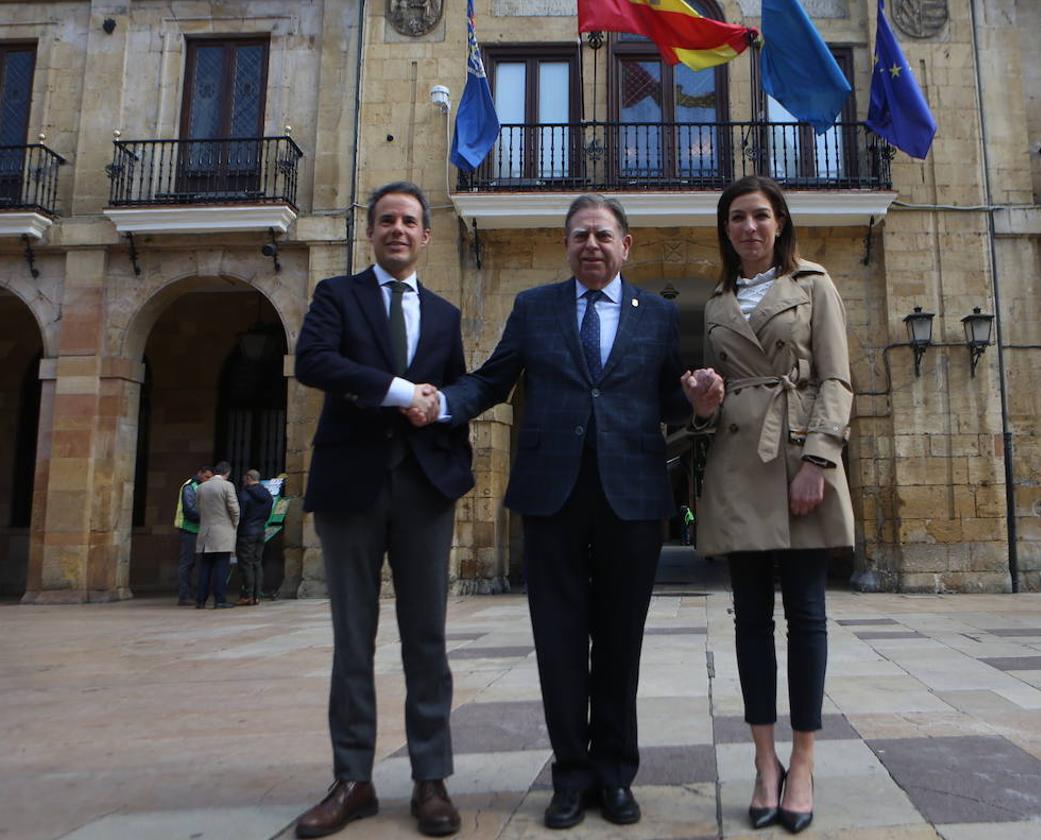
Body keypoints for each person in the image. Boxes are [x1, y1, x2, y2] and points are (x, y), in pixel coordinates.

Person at [410, 194, 723, 829]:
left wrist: (699, 402)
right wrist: (441, 401)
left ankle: (614, 774)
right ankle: (570, 775)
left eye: (604, 235)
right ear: (566, 244)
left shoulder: (660, 316)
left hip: (630, 499)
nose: (592, 245)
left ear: (625, 246)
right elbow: (493, 380)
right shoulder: (534, 308)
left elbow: (671, 399)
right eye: (580, 235)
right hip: (551, 496)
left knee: (618, 643)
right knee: (557, 644)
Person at [292, 181, 473, 838]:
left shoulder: (448, 315)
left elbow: (453, 395)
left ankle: (432, 779)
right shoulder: (337, 297)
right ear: (372, 232)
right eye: (387, 220)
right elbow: (313, 362)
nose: (399, 229)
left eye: (410, 221)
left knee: (427, 640)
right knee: (352, 641)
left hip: (424, 491)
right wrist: (400, 392)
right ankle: (353, 779)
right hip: (350, 486)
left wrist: (453, 458)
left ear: (427, 236)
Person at [693, 175, 854, 833]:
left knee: (808, 615)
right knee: (750, 619)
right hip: (738, 467)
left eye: (760, 215)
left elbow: (837, 377)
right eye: (737, 218)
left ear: (780, 223)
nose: (749, 227)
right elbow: (713, 401)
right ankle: (764, 762)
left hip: (796, 457)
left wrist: (819, 458)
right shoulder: (715, 302)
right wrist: (701, 402)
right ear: (726, 230)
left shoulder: (815, 284)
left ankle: (805, 761)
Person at [195, 461, 240, 609]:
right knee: (221, 567)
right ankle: (219, 599)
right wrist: (234, 524)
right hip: (222, 531)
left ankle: (200, 599)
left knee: (205, 568)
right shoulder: (228, 486)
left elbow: (198, 508)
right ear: (227, 473)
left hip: (205, 532)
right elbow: (234, 509)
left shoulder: (201, 487)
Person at [235, 469, 274, 606]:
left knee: (246, 563)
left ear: (249, 478)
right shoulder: (267, 494)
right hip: (260, 530)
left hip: (246, 532)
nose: (243, 480)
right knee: (257, 562)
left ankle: (248, 595)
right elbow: (269, 513)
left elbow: (241, 514)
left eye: (244, 477)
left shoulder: (245, 493)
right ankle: (256, 595)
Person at [174, 466, 211, 605]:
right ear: (200, 474)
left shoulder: (201, 486)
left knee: (198, 563)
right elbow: (189, 509)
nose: (208, 480)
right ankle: (184, 595)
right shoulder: (190, 486)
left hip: (199, 529)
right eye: (206, 477)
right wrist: (206, 517)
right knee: (187, 563)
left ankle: (195, 592)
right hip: (189, 529)